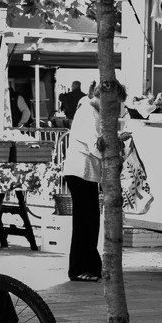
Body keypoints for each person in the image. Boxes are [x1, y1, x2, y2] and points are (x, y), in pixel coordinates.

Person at [62, 82, 128, 282]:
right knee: (85, 222)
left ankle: (90, 266)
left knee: (90, 221)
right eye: (115, 103)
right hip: (81, 172)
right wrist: (116, 148)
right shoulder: (89, 113)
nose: (115, 108)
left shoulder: (90, 110)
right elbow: (96, 146)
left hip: (86, 173)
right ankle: (79, 268)